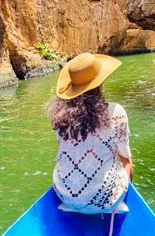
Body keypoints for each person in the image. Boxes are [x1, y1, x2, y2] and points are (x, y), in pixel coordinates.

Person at [48, 52, 133, 214]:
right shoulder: (116, 112)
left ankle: (78, 201)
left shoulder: (59, 117)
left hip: (64, 196)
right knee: (126, 160)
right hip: (106, 202)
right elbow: (125, 155)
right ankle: (120, 203)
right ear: (100, 84)